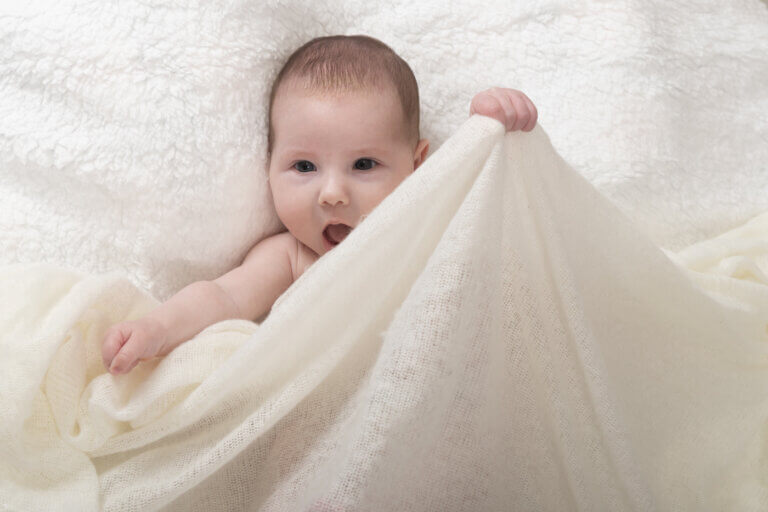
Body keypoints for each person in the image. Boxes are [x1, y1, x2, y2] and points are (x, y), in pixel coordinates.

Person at [102, 34, 538, 375]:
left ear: (418, 165)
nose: (332, 193)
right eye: (304, 166)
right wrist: (157, 328)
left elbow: (484, 205)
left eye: (364, 164)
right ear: (269, 167)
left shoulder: (422, 227)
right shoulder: (290, 257)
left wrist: (488, 130)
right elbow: (223, 297)